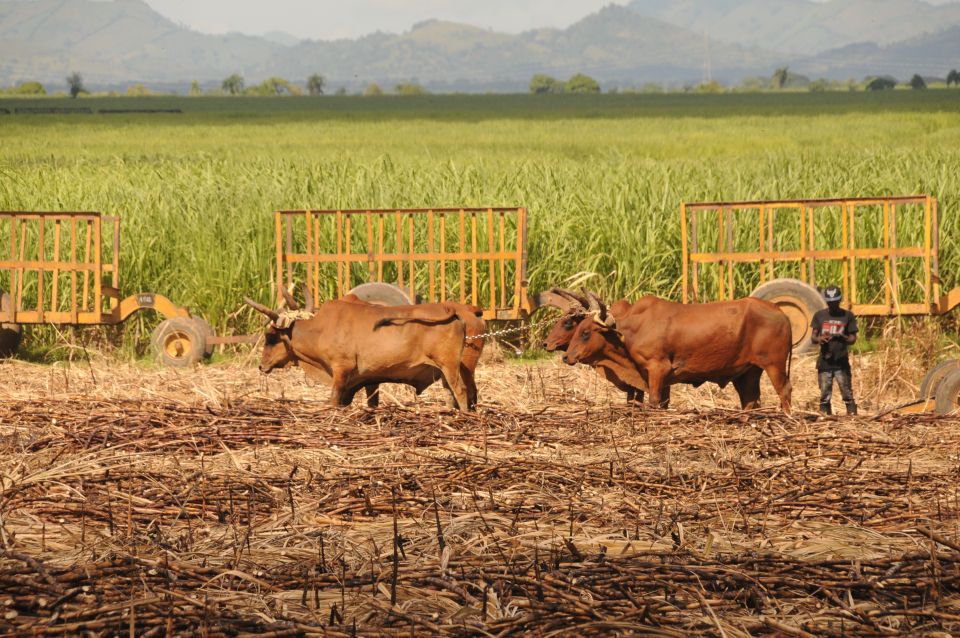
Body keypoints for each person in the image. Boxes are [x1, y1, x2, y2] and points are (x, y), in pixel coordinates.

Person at [810, 285, 858, 415]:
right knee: (825, 395)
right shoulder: (819, 316)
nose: (832, 305)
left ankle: (852, 417)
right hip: (825, 362)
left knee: (847, 393)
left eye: (835, 302)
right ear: (827, 302)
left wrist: (843, 337)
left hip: (841, 362)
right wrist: (820, 339)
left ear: (839, 300)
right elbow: (813, 337)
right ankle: (826, 418)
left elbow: (853, 339)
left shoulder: (848, 316)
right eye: (830, 303)